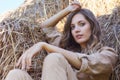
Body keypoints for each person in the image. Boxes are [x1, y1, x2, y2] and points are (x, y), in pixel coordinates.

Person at [5, 1, 118, 80]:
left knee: (55, 57)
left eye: (82, 24)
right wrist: (68, 10)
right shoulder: (66, 47)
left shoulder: (107, 54)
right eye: (72, 27)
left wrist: (45, 46)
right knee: (16, 74)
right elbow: (45, 27)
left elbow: (88, 63)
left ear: (92, 26)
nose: (76, 30)